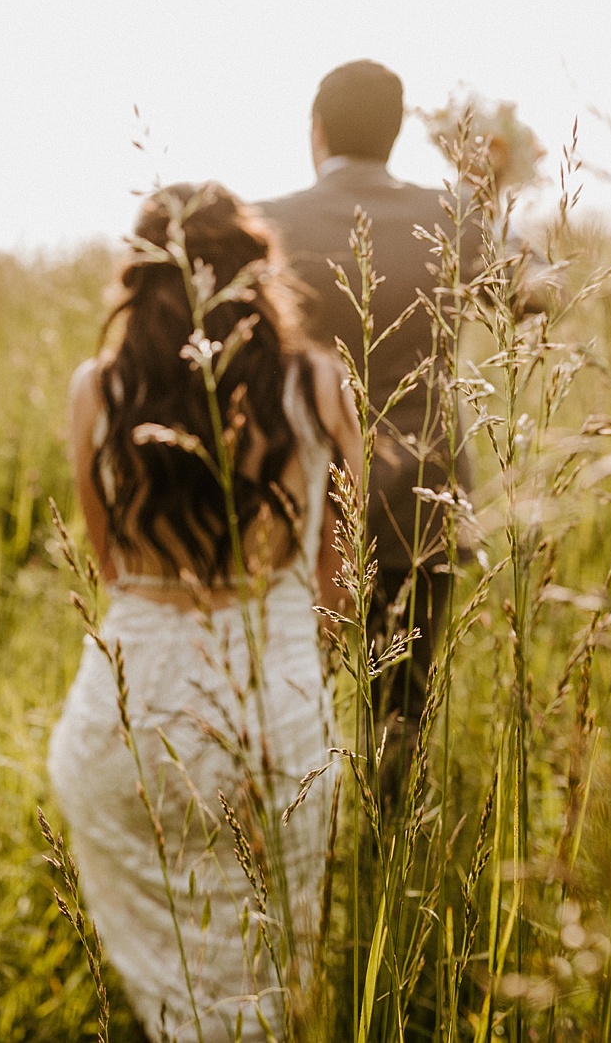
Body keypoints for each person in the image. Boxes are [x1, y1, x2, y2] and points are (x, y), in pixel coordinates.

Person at [46, 183, 364, 1043]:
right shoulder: (320, 385)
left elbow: (107, 560)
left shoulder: (97, 391)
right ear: (258, 269)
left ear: (138, 276)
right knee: (267, 967)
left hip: (130, 714)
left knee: (178, 975)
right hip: (277, 711)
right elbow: (343, 576)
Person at [258, 59, 518, 756]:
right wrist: (488, 197)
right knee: (399, 712)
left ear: (316, 131)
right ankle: (387, 845)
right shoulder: (453, 213)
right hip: (421, 496)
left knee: (285, 698)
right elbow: (532, 294)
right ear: (397, 132)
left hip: (300, 499)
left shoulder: (267, 224)